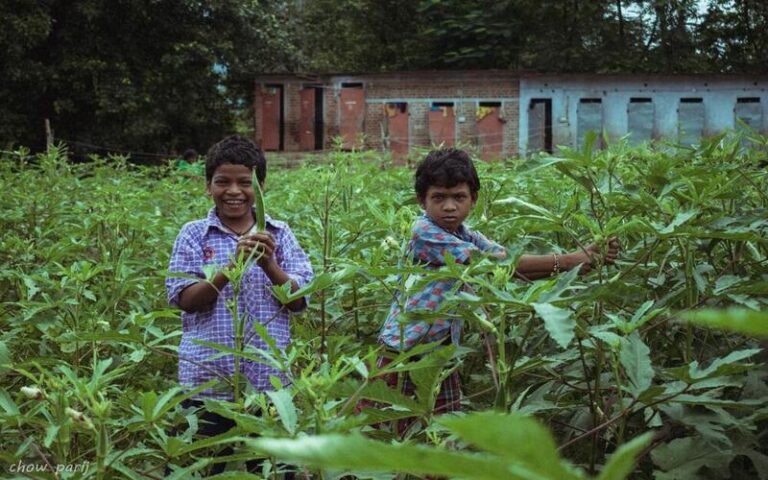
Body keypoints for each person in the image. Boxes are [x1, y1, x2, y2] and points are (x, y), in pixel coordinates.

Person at [374, 147, 619, 433]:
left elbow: (507, 264)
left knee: (440, 433)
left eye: (459, 197)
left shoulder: (466, 234)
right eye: (439, 198)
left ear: (473, 200)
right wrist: (569, 260)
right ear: (422, 201)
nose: (450, 206)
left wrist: (578, 262)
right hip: (404, 349)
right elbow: (488, 264)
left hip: (439, 352)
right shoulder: (422, 232)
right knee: (389, 430)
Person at [165, 135, 313, 475]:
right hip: (207, 380)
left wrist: (269, 265)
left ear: (260, 187)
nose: (234, 191)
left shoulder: (280, 233)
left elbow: (299, 299)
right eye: (222, 182)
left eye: (245, 182)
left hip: (268, 383)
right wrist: (229, 270)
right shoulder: (193, 234)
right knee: (206, 464)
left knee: (275, 468)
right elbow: (186, 300)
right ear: (208, 186)